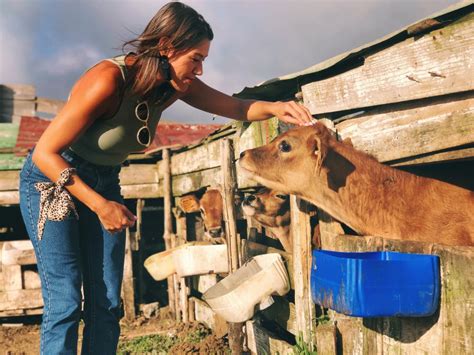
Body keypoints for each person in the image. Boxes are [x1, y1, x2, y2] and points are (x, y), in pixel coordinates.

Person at [19, 2, 313, 354]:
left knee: (108, 302)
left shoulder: (172, 84)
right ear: (166, 47)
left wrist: (278, 108)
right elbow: (44, 153)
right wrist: (100, 206)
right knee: (66, 300)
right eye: (195, 58)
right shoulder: (108, 80)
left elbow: (234, 108)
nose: (200, 70)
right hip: (52, 183)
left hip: (105, 180)